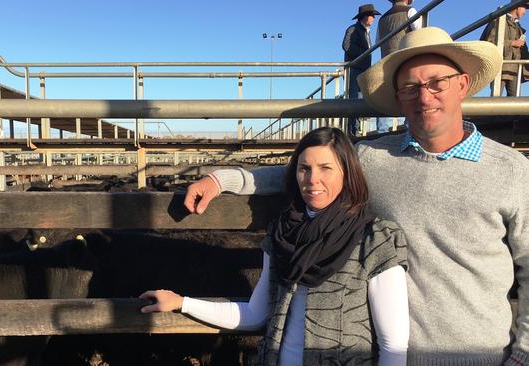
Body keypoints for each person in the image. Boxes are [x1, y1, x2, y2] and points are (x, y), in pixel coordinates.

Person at [183, 27, 529, 366]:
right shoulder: (374, 159)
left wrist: (523, 352)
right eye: (410, 87)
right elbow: (308, 172)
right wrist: (221, 179)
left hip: (483, 355)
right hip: (386, 352)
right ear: (398, 97)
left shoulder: (512, 170)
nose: (424, 97)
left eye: (437, 82)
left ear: (462, 85)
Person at [141, 127, 410, 366]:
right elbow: (255, 314)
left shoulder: (375, 239)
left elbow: (393, 345)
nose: (313, 179)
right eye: (304, 168)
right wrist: (181, 303)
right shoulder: (283, 235)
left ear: (347, 173)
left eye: (326, 168)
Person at [375, 0, 422, 133]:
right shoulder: (410, 11)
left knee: (386, 96)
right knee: (410, 93)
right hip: (405, 60)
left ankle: (381, 131)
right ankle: (409, 128)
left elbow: (377, 41)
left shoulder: (382, 19)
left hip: (386, 63)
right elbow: (420, 33)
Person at [342, 4, 381, 136]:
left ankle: (356, 128)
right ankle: (353, 130)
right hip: (355, 69)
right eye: (372, 15)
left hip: (363, 69)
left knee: (360, 97)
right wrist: (363, 54)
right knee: (354, 98)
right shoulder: (353, 29)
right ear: (365, 17)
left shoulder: (365, 31)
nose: (374, 18)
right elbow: (346, 46)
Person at [481, 2, 528, 96]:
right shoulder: (498, 20)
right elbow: (489, 43)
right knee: (496, 100)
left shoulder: (518, 27)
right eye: (524, 8)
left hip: (516, 69)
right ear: (517, 7)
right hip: (501, 67)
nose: (525, 12)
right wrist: (512, 43)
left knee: (515, 104)